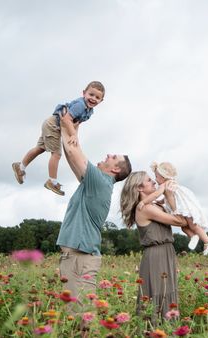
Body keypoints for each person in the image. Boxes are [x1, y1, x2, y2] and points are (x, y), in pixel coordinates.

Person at [56, 111, 132, 305]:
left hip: (80, 258)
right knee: (75, 313)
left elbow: (74, 151)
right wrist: (71, 127)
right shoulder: (93, 183)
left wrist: (67, 123)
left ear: (115, 169)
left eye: (113, 156)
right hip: (76, 256)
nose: (108, 154)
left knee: (80, 314)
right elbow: (70, 155)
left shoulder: (100, 181)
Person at [12, 81, 105, 196]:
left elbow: (76, 124)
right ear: (84, 93)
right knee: (56, 154)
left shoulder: (89, 111)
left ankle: (20, 167)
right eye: (91, 95)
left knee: (40, 148)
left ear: (101, 101)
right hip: (54, 125)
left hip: (52, 124)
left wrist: (75, 137)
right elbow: (66, 119)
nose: (93, 99)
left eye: (97, 97)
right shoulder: (80, 105)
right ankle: (52, 181)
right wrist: (73, 135)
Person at [120, 171, 187, 322]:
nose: (154, 182)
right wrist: (169, 196)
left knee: (166, 292)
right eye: (149, 180)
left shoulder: (155, 205)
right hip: (156, 254)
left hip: (166, 251)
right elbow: (181, 221)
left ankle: (167, 329)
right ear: (139, 188)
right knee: (158, 293)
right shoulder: (144, 208)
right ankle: (157, 330)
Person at [138, 161, 208, 255]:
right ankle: (193, 236)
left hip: (183, 207)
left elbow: (156, 195)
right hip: (181, 207)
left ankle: (207, 241)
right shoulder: (170, 184)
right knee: (184, 228)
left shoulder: (164, 185)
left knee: (193, 225)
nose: (155, 180)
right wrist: (160, 201)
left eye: (156, 177)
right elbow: (166, 197)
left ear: (163, 177)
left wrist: (143, 202)